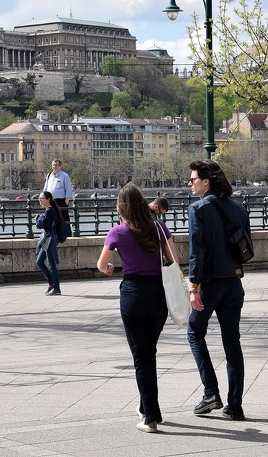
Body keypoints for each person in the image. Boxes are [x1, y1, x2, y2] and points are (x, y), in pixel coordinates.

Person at [97, 182, 178, 433]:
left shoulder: (117, 232)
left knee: (142, 358)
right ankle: (145, 407)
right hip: (158, 295)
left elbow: (102, 265)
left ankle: (151, 417)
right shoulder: (160, 228)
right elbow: (174, 261)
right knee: (148, 352)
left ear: (121, 207)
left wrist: (110, 269)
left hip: (133, 295)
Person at [185, 159, 249, 422]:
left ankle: (211, 391)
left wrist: (194, 287)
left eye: (193, 179)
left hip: (210, 283)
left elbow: (196, 252)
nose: (190, 183)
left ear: (206, 181)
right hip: (234, 282)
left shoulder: (198, 209)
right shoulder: (238, 208)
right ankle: (235, 405)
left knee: (194, 333)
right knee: (232, 342)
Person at [35, 190, 63, 295]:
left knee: (51, 264)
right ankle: (51, 284)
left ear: (48, 199)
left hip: (50, 238)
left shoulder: (49, 211)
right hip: (48, 238)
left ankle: (56, 288)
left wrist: (38, 219)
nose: (40, 201)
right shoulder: (49, 210)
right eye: (39, 199)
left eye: (42, 199)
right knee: (39, 261)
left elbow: (43, 226)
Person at [43, 159, 74, 225]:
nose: (54, 167)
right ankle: (53, 233)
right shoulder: (49, 176)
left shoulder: (65, 176)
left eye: (56, 165)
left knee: (63, 219)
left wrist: (66, 202)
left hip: (61, 201)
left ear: (60, 166)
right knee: (51, 219)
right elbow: (46, 188)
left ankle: (67, 233)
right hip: (51, 201)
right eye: (53, 165)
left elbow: (68, 189)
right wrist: (44, 199)